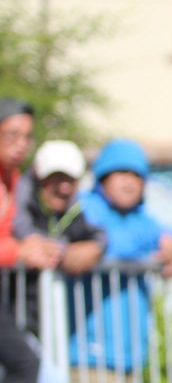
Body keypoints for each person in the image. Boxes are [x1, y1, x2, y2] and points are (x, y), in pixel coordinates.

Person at [74, 138, 172, 373]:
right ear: (103, 177)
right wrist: (154, 242)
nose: (130, 181)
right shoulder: (84, 207)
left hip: (131, 358)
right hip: (89, 358)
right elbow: (106, 241)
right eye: (121, 172)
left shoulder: (141, 217)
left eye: (137, 175)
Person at [12, 140, 107, 334]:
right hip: (13, 315)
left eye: (70, 179)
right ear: (39, 177)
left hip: (49, 323)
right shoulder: (19, 198)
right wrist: (62, 251)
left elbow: (99, 233)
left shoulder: (76, 209)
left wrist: (96, 247)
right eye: (56, 177)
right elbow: (20, 230)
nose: (64, 187)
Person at [0, 98, 56, 383]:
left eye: (27, 137)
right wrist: (18, 252)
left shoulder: (13, 177)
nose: (21, 144)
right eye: (13, 135)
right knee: (24, 363)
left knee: (25, 363)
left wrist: (38, 244)